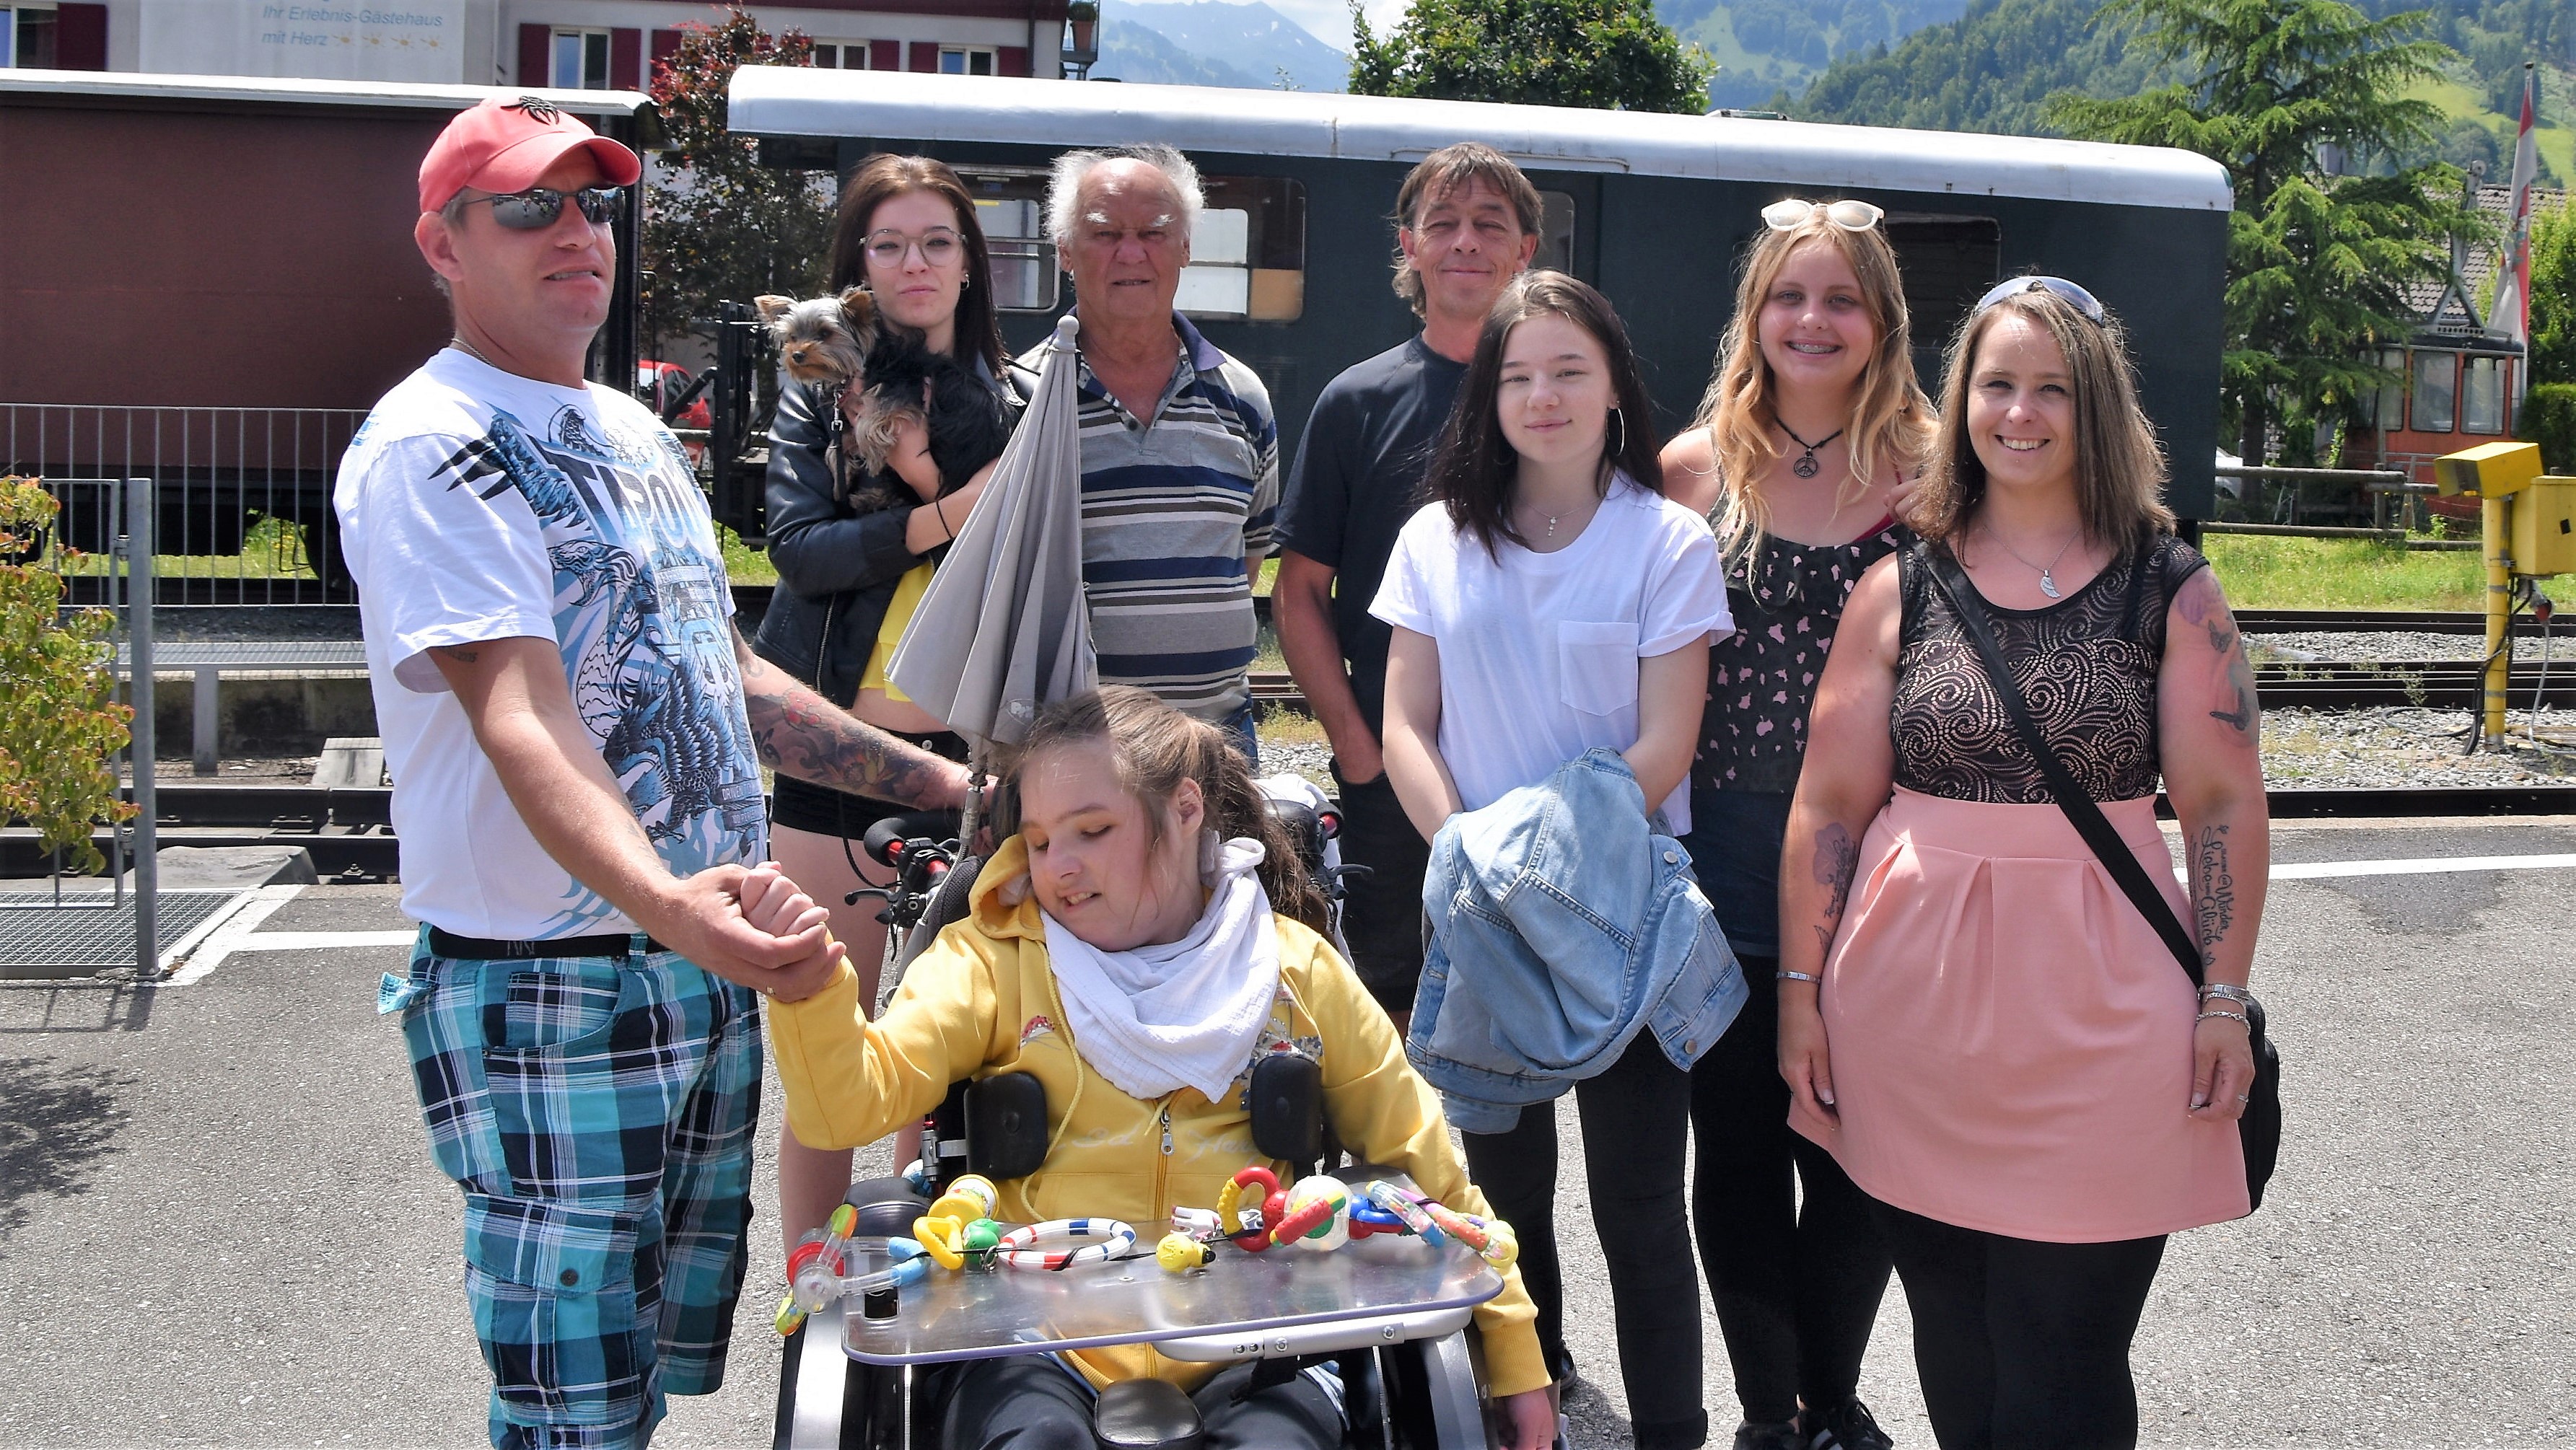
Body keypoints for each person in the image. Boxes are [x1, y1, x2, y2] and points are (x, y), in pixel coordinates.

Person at [341, 95, 970, 1450]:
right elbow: (520, 711)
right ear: (443, 245)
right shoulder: (434, 441)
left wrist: (951, 792)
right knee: (572, 1411)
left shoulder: (630, 430)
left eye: (593, 202)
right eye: (531, 206)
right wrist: (669, 905)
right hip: (552, 989)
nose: (577, 231)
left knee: (638, 1379)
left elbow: (724, 677)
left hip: (689, 972)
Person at [750, 685, 1559, 1450]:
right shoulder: (989, 961)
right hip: (1033, 1340)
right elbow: (848, 1108)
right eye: (1039, 841)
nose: (1059, 867)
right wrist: (810, 990)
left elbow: (1431, 1176)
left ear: (1184, 810)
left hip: (1266, 1334)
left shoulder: (1294, 971)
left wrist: (1515, 1358)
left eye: (1093, 831)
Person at [1778, 276, 2268, 1449]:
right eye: (1996, 384)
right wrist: (1799, 994)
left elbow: (2220, 803)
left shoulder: (2171, 587)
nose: (2019, 412)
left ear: (2095, 406)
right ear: (1961, 403)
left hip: (2108, 1028)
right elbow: (1829, 804)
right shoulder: (1899, 585)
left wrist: (2223, 996)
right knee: (1956, 1338)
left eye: (2051, 389)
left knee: (2068, 1354)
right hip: (1911, 1026)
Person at [1374, 271, 1733, 1450]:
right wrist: (1469, 861)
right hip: (1476, 915)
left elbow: (1665, 744)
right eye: (1518, 374)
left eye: (1570, 370)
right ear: (1487, 395)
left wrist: (1533, 861)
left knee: (1642, 1205)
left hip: (1622, 916)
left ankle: (1670, 1431)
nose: (1544, 395)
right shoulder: (1435, 539)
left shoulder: (1666, 541)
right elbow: (1405, 726)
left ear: (1615, 388)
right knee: (1502, 1198)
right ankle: (1535, 1403)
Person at [1657, 198, 1931, 1450]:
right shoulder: (1689, 470)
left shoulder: (1936, 476)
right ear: (1753, 314)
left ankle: (1829, 1394)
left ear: (1882, 323)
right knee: (1738, 1156)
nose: (1811, 320)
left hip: (1882, 878)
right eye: (1788, 296)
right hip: (1719, 872)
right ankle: (1774, 1414)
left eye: (1840, 299)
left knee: (1860, 1160)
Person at [752, 153, 1020, 1252]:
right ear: (858, 266)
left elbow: (1024, 557)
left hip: (975, 750)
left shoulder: (1017, 399)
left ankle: (930, 1282)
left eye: (936, 242)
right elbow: (799, 551)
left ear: (969, 263)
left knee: (938, 1047)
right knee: (828, 1042)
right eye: (889, 243)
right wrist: (943, 509)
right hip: (836, 752)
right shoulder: (815, 397)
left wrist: (919, 479)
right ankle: (808, 1293)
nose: (915, 263)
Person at [1274, 141, 1541, 1025]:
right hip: (1391, 768)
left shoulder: (1565, 401)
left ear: (1525, 251)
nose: (1466, 241)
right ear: (1410, 245)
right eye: (1444, 223)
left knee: (1525, 1013)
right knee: (1390, 1009)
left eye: (1490, 225)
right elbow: (1300, 592)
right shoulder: (1358, 402)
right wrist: (1356, 746)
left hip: (1533, 765)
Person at [1018, 144, 1278, 762]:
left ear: (1185, 247)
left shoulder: (1243, 396)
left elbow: (1248, 553)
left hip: (1218, 742)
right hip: (1074, 748)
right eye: (1105, 233)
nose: (1131, 254)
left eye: (1154, 233)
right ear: (1065, 251)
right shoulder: (1020, 397)